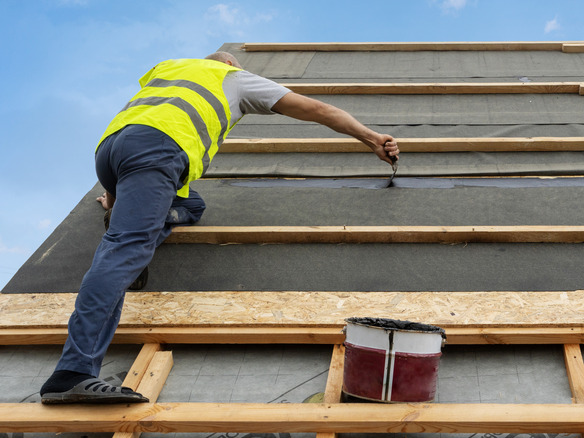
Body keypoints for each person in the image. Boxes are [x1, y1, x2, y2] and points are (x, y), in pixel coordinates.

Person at [39, 51, 399, 404]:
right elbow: (318, 110)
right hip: (158, 150)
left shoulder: (170, 68)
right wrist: (371, 138)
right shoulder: (233, 78)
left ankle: (125, 211)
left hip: (112, 151)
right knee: (124, 249)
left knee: (192, 205)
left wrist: (115, 197)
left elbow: (146, 121)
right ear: (229, 63)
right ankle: (72, 373)